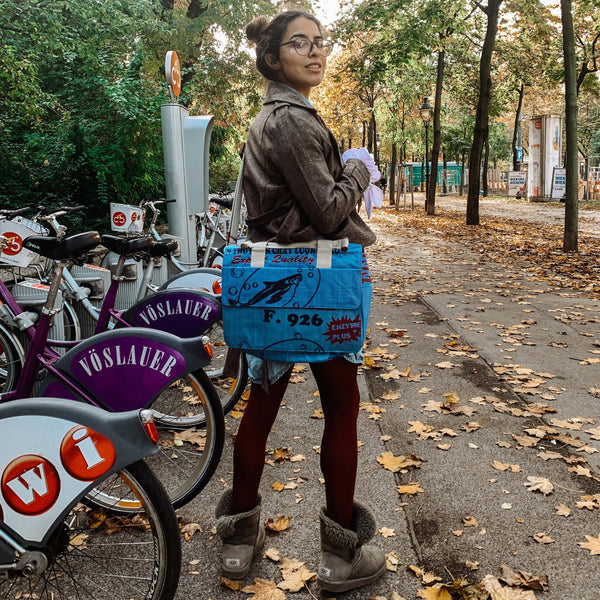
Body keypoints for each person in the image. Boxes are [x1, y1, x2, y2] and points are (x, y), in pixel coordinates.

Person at [215, 9, 385, 593]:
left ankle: (239, 542)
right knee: (340, 408)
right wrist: (359, 171)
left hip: (272, 285)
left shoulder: (276, 116)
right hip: (313, 281)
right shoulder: (289, 120)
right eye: (299, 43)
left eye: (320, 41)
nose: (315, 52)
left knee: (261, 410)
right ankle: (340, 557)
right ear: (272, 56)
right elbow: (331, 212)